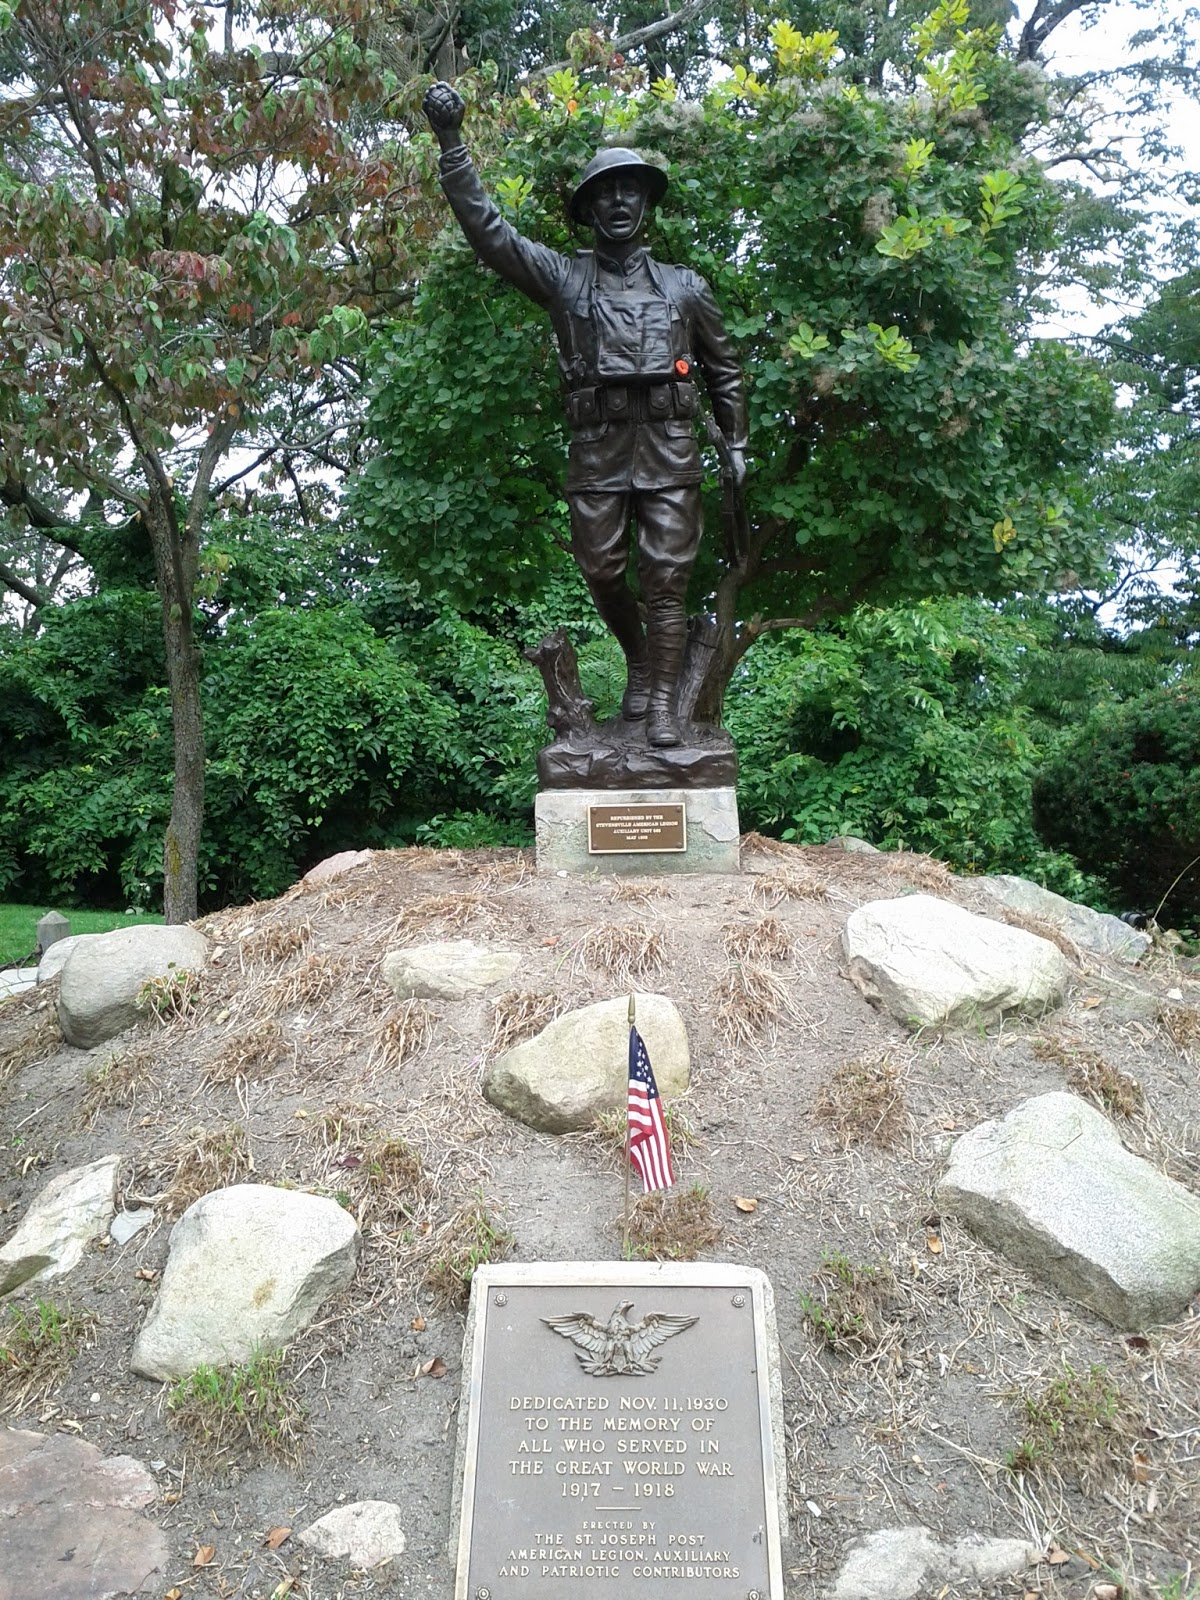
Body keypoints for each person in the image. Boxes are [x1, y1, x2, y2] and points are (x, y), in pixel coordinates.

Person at [423, 81, 748, 749]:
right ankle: (639, 659)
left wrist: (736, 442)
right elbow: (488, 231)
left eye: (632, 191)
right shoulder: (563, 277)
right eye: (607, 193)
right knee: (601, 568)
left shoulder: (687, 287)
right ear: (590, 209)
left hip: (669, 443)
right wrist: (452, 141)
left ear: (649, 204)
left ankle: (661, 706)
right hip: (598, 447)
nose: (620, 202)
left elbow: (726, 368)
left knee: (667, 576)